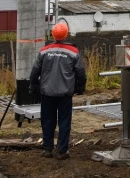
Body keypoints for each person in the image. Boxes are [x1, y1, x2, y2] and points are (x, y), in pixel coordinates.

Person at [29, 22, 87, 160]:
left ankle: (47, 149)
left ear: (52, 34)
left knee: (47, 120)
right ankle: (62, 151)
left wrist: (32, 85)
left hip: (47, 92)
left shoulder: (44, 51)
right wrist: (80, 88)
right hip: (65, 93)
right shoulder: (73, 52)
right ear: (66, 35)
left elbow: (35, 70)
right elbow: (81, 73)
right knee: (64, 121)